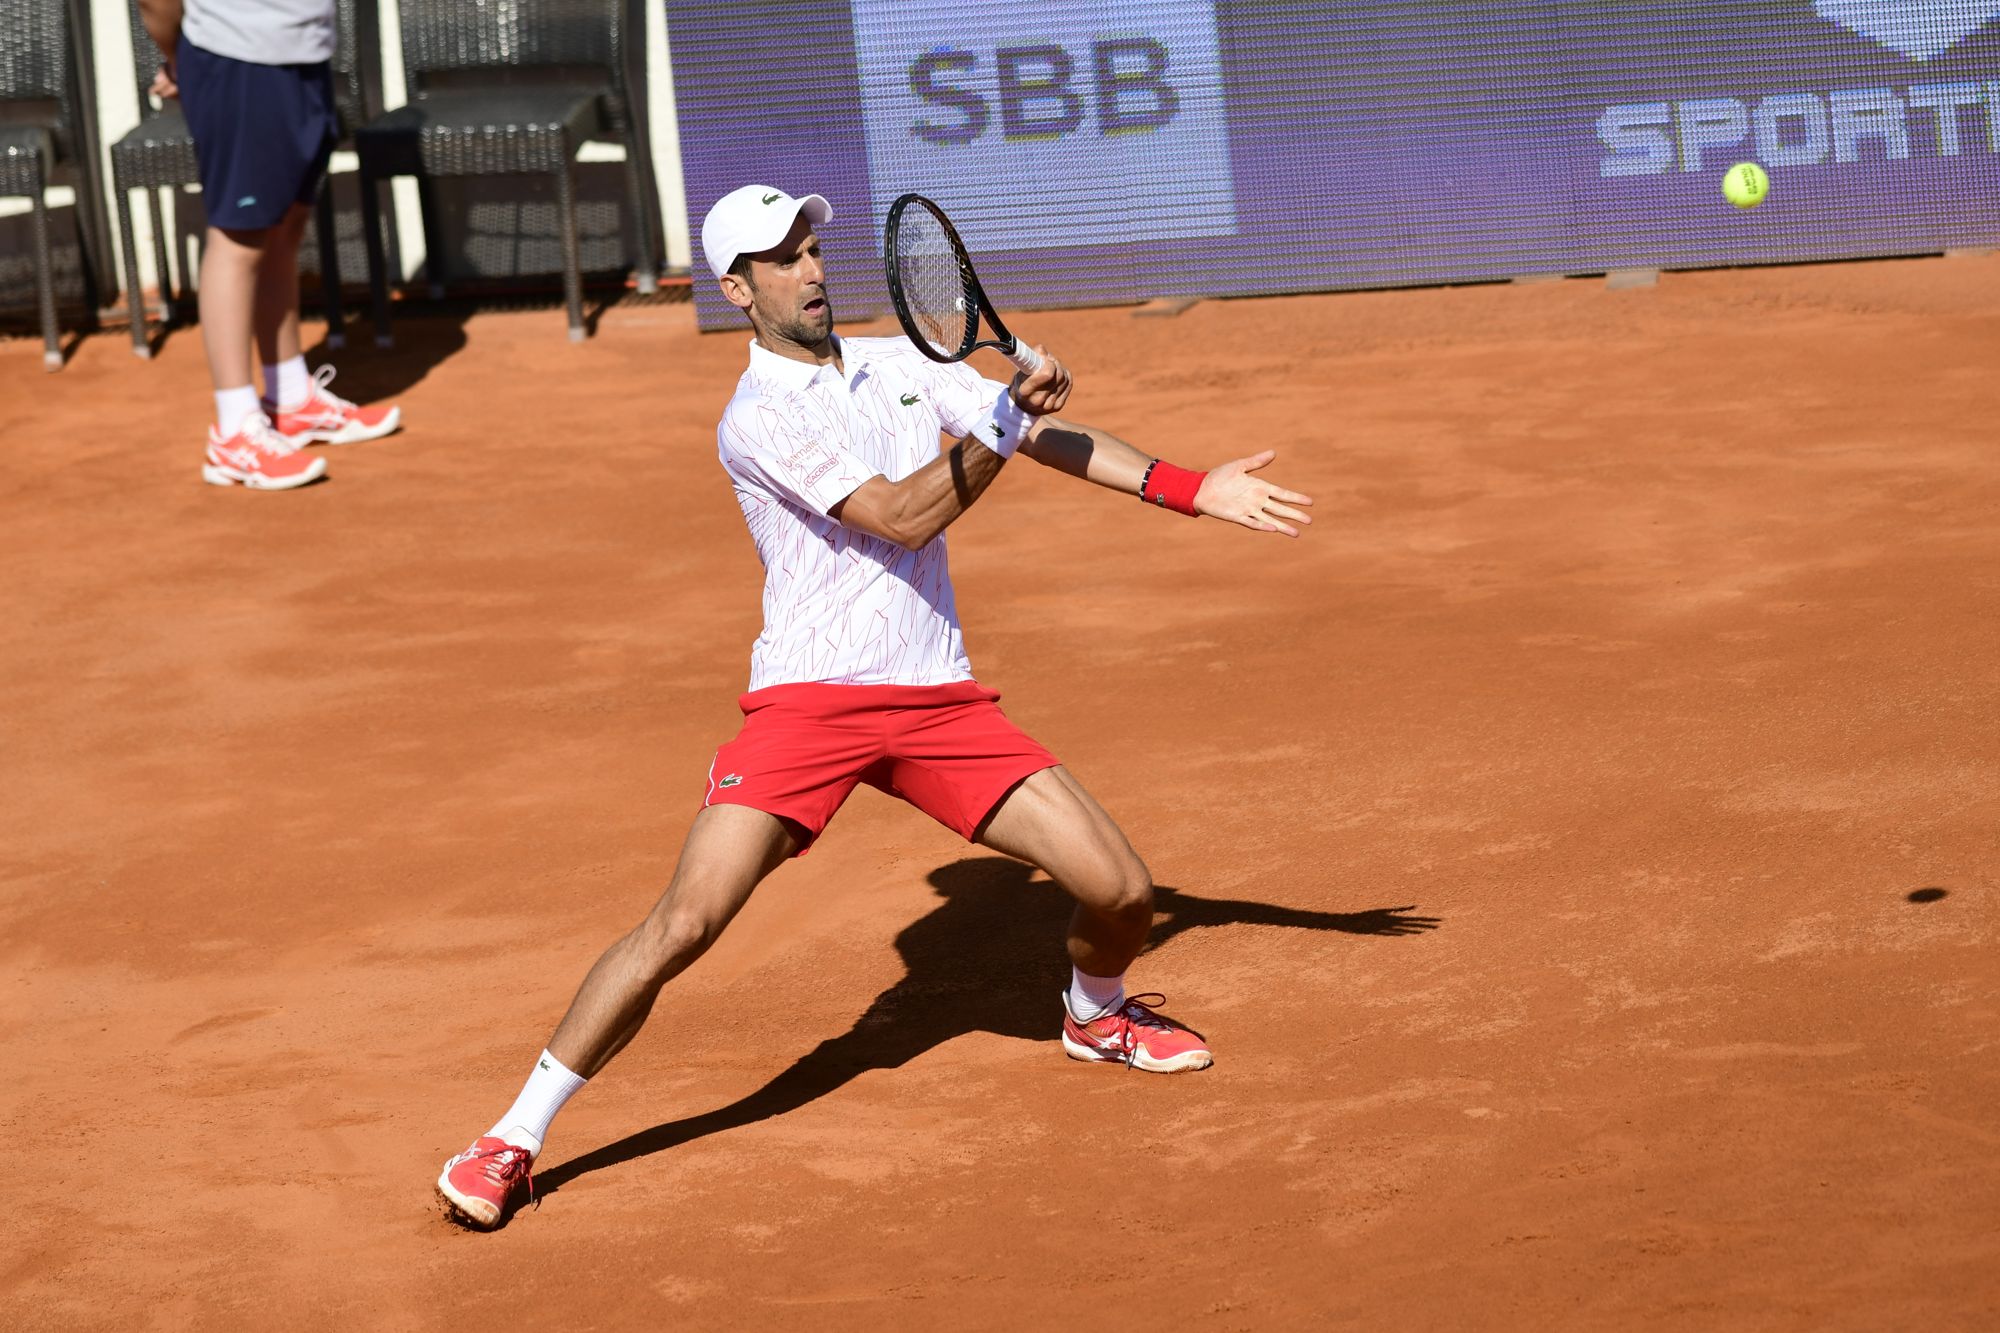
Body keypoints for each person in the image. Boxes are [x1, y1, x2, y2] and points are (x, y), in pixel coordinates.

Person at [435, 185, 1314, 1230]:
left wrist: (1185, 484)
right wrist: (1003, 421)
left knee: (1122, 891)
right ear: (736, 288)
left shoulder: (901, 364)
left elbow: (1051, 439)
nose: (810, 269)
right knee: (686, 919)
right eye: (781, 258)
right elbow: (900, 517)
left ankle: (1096, 1015)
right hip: (810, 706)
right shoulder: (759, 416)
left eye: (811, 247)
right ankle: (512, 1137)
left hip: (935, 698)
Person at [140, 0, 400, 491]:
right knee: (240, 235)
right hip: (236, 59)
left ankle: (291, 397)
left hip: (304, 53)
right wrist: (180, 58)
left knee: (286, 222)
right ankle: (234, 431)